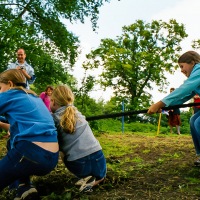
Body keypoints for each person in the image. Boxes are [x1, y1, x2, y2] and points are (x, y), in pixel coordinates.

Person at [0, 69, 59, 199]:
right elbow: (17, 123)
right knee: (12, 143)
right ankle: (24, 187)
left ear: (10, 84)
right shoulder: (34, 98)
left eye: (0, 87)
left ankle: (22, 184)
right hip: (52, 158)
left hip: (30, 153)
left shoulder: (9, 95)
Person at [147, 50, 200, 166]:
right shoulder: (195, 79)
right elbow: (184, 96)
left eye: (182, 66)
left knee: (198, 123)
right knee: (193, 120)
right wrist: (165, 106)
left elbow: (184, 89)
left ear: (192, 62)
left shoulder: (199, 69)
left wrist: (159, 104)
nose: (181, 70)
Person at [50, 85, 107, 192]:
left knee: (62, 150)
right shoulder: (78, 113)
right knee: (101, 176)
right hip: (99, 160)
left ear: (53, 101)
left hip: (78, 164)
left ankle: (85, 178)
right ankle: (97, 180)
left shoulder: (53, 119)